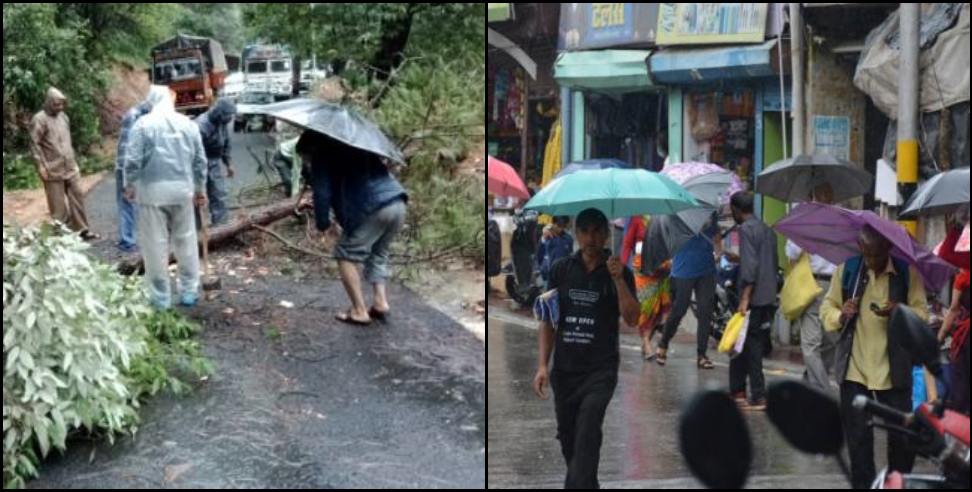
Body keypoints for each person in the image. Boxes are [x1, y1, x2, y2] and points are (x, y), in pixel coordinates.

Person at [532, 208, 638, 489]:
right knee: (570, 440)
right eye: (585, 231)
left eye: (596, 232)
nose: (590, 238)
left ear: (605, 235)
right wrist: (543, 364)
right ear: (576, 234)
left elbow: (632, 318)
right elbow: (548, 319)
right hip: (565, 371)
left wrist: (617, 280)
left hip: (600, 371)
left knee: (589, 427)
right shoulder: (561, 270)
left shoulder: (620, 272)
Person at [820, 226, 927, 488]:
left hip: (893, 371)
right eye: (866, 254)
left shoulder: (905, 273)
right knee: (858, 444)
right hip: (855, 370)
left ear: (888, 249)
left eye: (876, 255)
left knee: (902, 441)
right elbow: (827, 308)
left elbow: (922, 314)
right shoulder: (848, 271)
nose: (871, 262)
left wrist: (901, 312)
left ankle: (897, 483)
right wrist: (841, 314)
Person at [297, 130, 408, 326]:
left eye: (304, 157)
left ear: (310, 149)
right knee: (378, 253)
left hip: (374, 207)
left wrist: (322, 223)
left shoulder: (322, 154)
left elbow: (322, 194)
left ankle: (359, 311)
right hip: (398, 201)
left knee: (345, 255)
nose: (305, 161)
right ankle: (380, 302)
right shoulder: (359, 146)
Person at [124, 86, 208, 310]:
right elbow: (200, 161)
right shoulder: (189, 125)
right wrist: (200, 189)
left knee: (155, 246)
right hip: (183, 191)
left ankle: (160, 297)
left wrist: (128, 184)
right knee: (187, 241)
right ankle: (189, 290)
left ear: (152, 101)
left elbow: (132, 161)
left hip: (152, 193)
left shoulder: (142, 125)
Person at [729, 192, 778, 411]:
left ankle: (758, 395)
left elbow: (751, 268)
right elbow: (767, 261)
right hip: (767, 295)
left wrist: (745, 299)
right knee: (740, 344)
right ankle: (737, 391)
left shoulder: (746, 230)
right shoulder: (767, 229)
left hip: (752, 298)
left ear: (737, 210)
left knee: (752, 346)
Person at [787, 183, 838, 391]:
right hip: (822, 284)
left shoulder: (805, 221)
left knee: (815, 344)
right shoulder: (840, 220)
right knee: (826, 341)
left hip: (823, 284)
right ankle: (815, 385)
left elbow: (791, 253)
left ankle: (819, 389)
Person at [29, 87, 99, 240]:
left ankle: (82, 230)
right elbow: (34, 144)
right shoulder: (39, 119)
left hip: (70, 166)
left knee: (78, 197)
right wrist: (40, 165)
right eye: (56, 104)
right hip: (52, 169)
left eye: (61, 104)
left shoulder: (64, 117)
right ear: (48, 103)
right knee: (58, 207)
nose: (59, 108)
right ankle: (62, 236)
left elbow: (68, 141)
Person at [655, 211, 720, 369]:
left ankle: (702, 355)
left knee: (705, 311)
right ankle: (663, 343)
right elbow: (669, 235)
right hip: (684, 267)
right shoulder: (678, 211)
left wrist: (718, 249)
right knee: (680, 308)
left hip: (706, 267)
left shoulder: (711, 210)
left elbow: (715, 233)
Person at [620, 215, 672, 360]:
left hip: (662, 266)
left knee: (659, 309)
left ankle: (646, 340)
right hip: (643, 267)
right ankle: (646, 342)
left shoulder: (664, 218)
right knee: (646, 307)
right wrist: (622, 269)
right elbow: (627, 244)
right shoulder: (637, 219)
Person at [114, 94, 157, 252]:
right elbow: (127, 150)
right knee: (127, 201)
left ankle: (129, 237)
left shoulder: (138, 115)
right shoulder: (134, 117)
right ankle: (128, 241)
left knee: (131, 202)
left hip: (132, 166)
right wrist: (129, 179)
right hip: (126, 167)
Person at [195, 98, 237, 226]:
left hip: (214, 161)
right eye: (227, 115)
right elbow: (193, 152)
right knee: (198, 197)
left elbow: (226, 144)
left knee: (219, 193)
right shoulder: (201, 126)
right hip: (197, 163)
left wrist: (228, 163)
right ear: (219, 112)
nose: (230, 118)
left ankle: (221, 225)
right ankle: (196, 230)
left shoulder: (222, 123)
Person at [938, 266, 970, 415]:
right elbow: (953, 310)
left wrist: (939, 338)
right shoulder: (962, 277)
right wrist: (940, 337)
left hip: (965, 338)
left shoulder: (963, 277)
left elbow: (954, 309)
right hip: (966, 338)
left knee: (961, 392)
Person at [536, 216, 573, 290]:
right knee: (548, 297)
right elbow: (539, 254)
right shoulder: (547, 237)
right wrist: (542, 268)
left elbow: (570, 256)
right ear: (553, 224)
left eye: (563, 226)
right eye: (559, 226)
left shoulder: (568, 239)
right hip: (548, 275)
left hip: (563, 276)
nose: (561, 229)